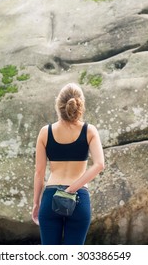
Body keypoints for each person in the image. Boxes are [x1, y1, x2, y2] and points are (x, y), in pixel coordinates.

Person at [32, 83, 105, 245]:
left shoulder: (45, 132)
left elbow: (39, 172)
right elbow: (99, 164)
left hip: (51, 197)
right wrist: (71, 189)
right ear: (81, 104)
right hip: (78, 198)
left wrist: (36, 203)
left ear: (59, 105)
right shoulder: (89, 131)